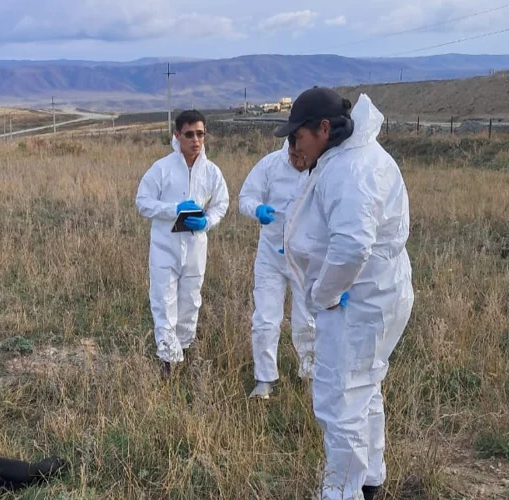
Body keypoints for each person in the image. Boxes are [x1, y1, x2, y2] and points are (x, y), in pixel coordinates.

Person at [277, 87, 414, 500]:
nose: (292, 146)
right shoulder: (347, 158)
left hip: (356, 303)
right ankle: (369, 480)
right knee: (364, 388)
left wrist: (324, 294)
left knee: (340, 401)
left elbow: (352, 245)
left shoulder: (351, 169)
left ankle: (342, 491)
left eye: (296, 137)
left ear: (323, 128)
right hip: (373, 296)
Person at [135, 110, 230, 378]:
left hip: (196, 249)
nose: (195, 140)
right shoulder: (162, 169)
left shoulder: (211, 172)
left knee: (191, 302)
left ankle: (184, 353)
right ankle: (167, 361)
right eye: (189, 134)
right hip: (165, 249)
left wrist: (207, 221)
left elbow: (222, 203)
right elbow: (142, 202)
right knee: (164, 302)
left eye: (200, 134)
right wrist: (173, 208)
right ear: (177, 136)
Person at [238, 135, 315, 399]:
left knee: (308, 320)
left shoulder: (322, 166)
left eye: (303, 158)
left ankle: (310, 375)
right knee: (265, 319)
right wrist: (257, 209)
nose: (299, 162)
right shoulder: (270, 165)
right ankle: (264, 380)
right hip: (271, 255)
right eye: (294, 157)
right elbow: (245, 197)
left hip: (306, 258)